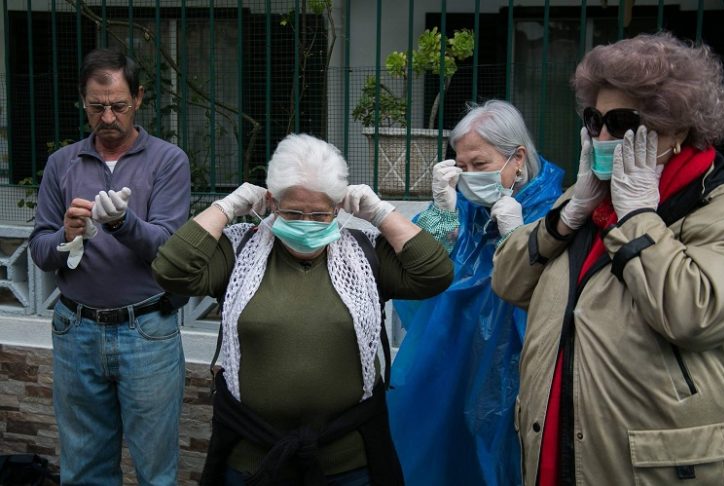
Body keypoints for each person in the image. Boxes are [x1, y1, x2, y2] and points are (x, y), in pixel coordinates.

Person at [492, 32, 724, 486]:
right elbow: (507, 281)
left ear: (675, 128)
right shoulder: (588, 201)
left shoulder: (716, 206)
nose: (602, 135)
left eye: (621, 122)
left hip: (654, 467)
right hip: (556, 450)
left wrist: (639, 214)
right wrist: (567, 217)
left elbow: (694, 313)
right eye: (594, 119)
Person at [151, 133, 454, 485]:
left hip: (346, 462)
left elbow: (435, 273)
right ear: (272, 204)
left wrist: (380, 213)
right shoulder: (240, 251)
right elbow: (170, 271)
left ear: (338, 209)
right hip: (252, 459)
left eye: (319, 214)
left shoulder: (365, 255)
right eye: (293, 212)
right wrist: (228, 206)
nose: (306, 224)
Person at [29, 48, 191, 485]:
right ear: (83, 101)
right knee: (83, 467)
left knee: (155, 469)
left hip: (147, 330)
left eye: (118, 106)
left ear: (138, 98)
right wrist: (64, 235)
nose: (107, 117)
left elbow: (168, 248)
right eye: (96, 106)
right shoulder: (62, 163)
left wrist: (121, 222)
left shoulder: (167, 161)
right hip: (75, 327)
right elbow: (39, 251)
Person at [387, 99, 564, 485]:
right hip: (446, 370)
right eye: (461, 166)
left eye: (480, 164)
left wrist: (520, 239)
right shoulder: (462, 210)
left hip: (516, 377)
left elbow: (556, 305)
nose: (468, 176)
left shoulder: (556, 213)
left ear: (517, 158)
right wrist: (440, 215)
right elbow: (415, 280)